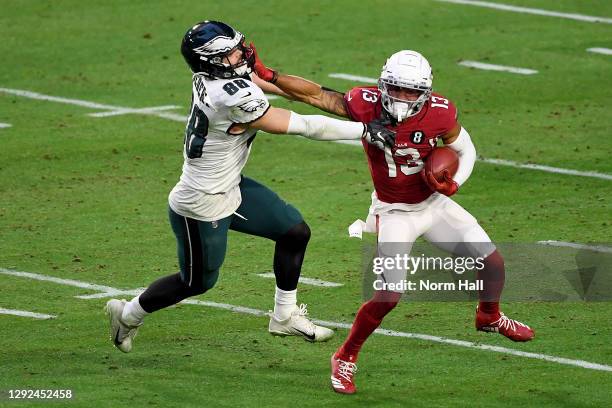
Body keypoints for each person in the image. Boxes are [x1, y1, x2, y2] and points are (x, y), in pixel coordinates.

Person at [252, 48, 535, 394]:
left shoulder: (441, 112)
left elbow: (467, 149)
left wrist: (456, 182)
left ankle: (488, 316)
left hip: (433, 204)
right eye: (396, 88)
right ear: (384, 84)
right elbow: (316, 95)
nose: (402, 97)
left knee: (492, 264)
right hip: (394, 211)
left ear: (426, 92)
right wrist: (271, 76)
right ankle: (345, 356)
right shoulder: (366, 103)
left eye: (411, 91)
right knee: (388, 295)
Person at [105, 21, 396, 352]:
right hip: (203, 201)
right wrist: (363, 129)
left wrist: (343, 103)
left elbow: (291, 90)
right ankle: (127, 315)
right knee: (196, 282)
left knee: (294, 232)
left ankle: (284, 316)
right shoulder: (228, 95)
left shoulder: (217, 76)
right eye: (228, 54)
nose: (239, 55)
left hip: (230, 184)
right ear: (209, 61)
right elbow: (302, 126)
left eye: (236, 48)